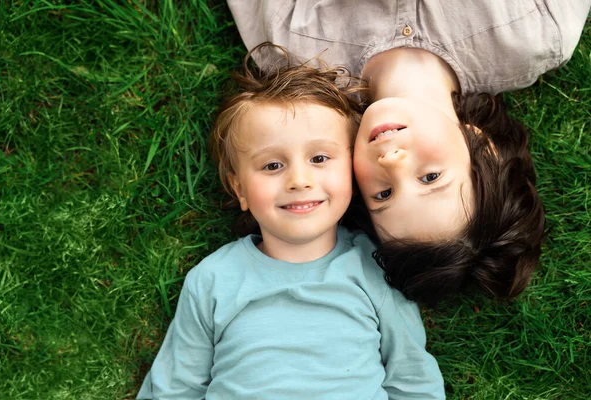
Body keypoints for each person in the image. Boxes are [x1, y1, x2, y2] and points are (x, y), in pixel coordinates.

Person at [226, 0, 591, 306]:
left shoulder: (291, 49)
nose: (391, 162)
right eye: (431, 177)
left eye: (382, 194)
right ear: (487, 150)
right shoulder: (535, 33)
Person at [136, 45, 445, 399]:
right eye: (272, 165)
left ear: (353, 170)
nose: (299, 180)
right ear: (240, 189)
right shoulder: (212, 280)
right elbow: (174, 388)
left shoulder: (376, 269)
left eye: (319, 158)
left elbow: (412, 379)